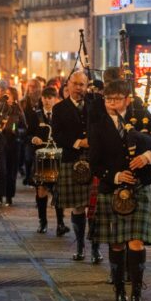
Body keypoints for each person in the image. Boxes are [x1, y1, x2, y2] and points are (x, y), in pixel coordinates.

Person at [89, 79, 151, 301]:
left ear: (126, 99)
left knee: (136, 241)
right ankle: (119, 292)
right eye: (107, 99)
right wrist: (115, 175)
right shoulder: (98, 124)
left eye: (115, 99)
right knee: (115, 243)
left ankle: (136, 295)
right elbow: (95, 162)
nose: (111, 104)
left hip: (139, 185)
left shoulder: (142, 116)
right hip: (111, 188)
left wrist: (148, 157)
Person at [51, 71, 99, 262]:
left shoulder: (95, 106)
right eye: (76, 84)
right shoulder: (59, 108)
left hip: (94, 160)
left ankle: (95, 248)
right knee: (78, 207)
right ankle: (80, 246)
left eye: (82, 84)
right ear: (68, 85)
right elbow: (57, 135)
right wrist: (79, 142)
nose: (79, 88)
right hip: (71, 159)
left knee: (95, 207)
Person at [28, 86, 61, 234]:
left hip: (57, 157)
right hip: (41, 158)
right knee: (41, 190)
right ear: (41, 99)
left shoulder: (61, 114)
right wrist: (33, 138)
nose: (47, 101)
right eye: (45, 98)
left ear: (55, 99)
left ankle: (60, 223)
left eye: (50, 98)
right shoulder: (36, 115)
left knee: (58, 191)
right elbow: (27, 134)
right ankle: (43, 222)